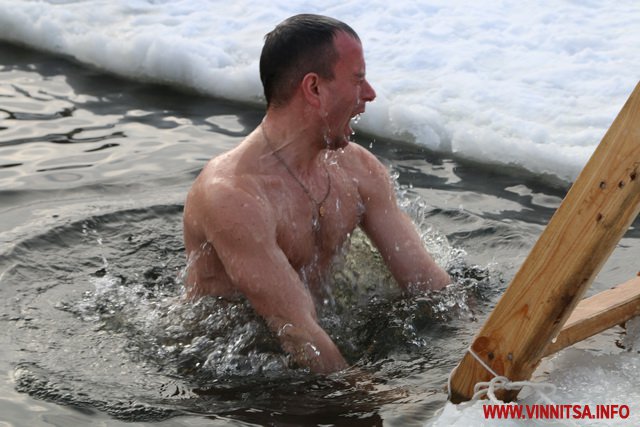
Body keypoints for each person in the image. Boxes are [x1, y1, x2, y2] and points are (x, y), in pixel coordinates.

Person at [182, 14, 451, 374]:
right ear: (314, 89)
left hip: (314, 334)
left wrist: (487, 342)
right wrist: (399, 410)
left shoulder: (358, 169)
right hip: (235, 368)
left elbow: (428, 284)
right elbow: (298, 332)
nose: (370, 94)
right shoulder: (233, 195)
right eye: (358, 80)